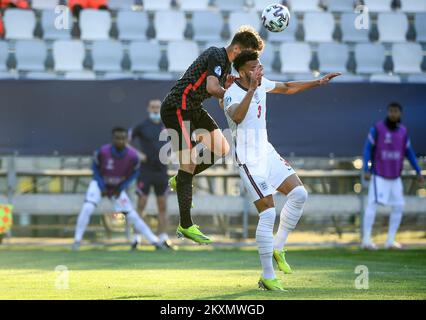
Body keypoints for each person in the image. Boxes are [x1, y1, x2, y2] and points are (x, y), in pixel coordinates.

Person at [223, 50, 340, 290]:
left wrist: (317, 82)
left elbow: (287, 87)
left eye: (260, 64)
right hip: (248, 160)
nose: (261, 69)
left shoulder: (262, 83)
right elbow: (237, 116)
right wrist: (254, 89)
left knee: (299, 194)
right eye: (256, 66)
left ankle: (278, 247)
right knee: (267, 214)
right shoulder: (231, 93)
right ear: (244, 71)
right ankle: (267, 277)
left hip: (266, 152)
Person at [161, 25, 264, 244]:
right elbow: (211, 86)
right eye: (247, 54)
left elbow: (217, 93)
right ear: (237, 48)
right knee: (187, 163)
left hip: (193, 108)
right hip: (177, 107)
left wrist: (227, 94)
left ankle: (181, 179)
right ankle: (186, 225)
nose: (248, 60)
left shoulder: (226, 64)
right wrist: (230, 91)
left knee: (221, 148)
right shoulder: (217, 54)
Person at [72, 127, 167, 251]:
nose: (120, 141)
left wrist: (121, 187)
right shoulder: (103, 151)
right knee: (87, 207)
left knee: (132, 215)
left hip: (117, 188)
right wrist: (101, 186)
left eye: (123, 138)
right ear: (113, 139)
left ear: (127, 139)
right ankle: (77, 241)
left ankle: (154, 241)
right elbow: (95, 169)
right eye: (117, 138)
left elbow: (134, 174)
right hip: (99, 185)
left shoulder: (132, 156)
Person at [361, 102, 424, 250]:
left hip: (395, 177)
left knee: (399, 206)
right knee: (372, 205)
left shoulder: (403, 131)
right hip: (379, 176)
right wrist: (366, 169)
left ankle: (390, 241)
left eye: (396, 112)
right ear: (388, 112)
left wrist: (418, 171)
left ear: (400, 114)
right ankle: (366, 240)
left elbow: (410, 153)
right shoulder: (377, 129)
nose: (393, 114)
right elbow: (367, 150)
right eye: (391, 111)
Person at [129, 99, 172, 250]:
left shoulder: (167, 125)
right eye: (152, 107)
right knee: (141, 204)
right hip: (145, 171)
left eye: (157, 107)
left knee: (163, 205)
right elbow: (126, 142)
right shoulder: (142, 126)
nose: (155, 109)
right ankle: (136, 238)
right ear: (148, 108)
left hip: (161, 171)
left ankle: (163, 238)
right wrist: (138, 154)